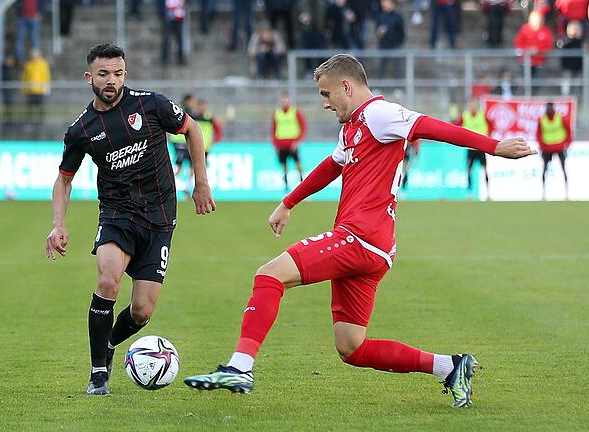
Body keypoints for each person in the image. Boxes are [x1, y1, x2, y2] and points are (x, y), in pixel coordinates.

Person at [183, 54, 535, 407]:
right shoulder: (353, 126)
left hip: (360, 237)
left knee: (269, 276)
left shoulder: (380, 114)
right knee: (351, 346)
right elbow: (330, 166)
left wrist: (494, 147)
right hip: (374, 249)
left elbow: (431, 127)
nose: (323, 103)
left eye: (326, 94)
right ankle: (450, 367)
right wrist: (288, 202)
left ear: (346, 87)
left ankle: (239, 367)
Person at [44, 44, 216, 395]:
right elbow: (64, 179)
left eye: (118, 73)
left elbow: (193, 130)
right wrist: (58, 224)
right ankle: (98, 375)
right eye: (104, 74)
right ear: (89, 77)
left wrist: (201, 181)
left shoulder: (150, 104)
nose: (112, 81)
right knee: (108, 281)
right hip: (117, 215)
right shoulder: (81, 129)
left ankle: (108, 344)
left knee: (141, 311)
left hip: (160, 217)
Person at [271, 93, 307, 190]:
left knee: (297, 163)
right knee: (284, 164)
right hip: (281, 144)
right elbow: (274, 129)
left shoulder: (295, 112)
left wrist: (297, 141)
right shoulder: (277, 113)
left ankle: (302, 183)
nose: (285, 103)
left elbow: (303, 127)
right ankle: (286, 185)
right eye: (283, 101)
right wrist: (275, 144)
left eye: (286, 101)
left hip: (292, 143)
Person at [536, 102, 571, 199]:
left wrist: (567, 143)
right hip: (547, 148)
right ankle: (543, 194)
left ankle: (567, 194)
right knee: (544, 170)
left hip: (560, 147)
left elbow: (568, 130)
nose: (549, 109)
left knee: (563, 169)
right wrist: (541, 145)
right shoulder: (542, 119)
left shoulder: (560, 117)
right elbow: (539, 133)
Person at [456, 98, 490, 194]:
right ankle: (469, 192)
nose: (473, 107)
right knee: (469, 170)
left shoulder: (482, 116)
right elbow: (456, 126)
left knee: (485, 170)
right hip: (470, 148)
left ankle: (488, 192)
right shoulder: (465, 116)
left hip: (481, 147)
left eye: (474, 105)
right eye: (471, 105)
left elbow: (490, 126)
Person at [514, 11, 554, 78]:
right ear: (530, 20)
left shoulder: (546, 31)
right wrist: (528, 50)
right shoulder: (524, 29)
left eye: (540, 19)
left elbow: (549, 46)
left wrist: (538, 50)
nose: (539, 21)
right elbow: (518, 43)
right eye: (537, 20)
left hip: (540, 62)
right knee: (525, 79)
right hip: (525, 61)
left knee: (537, 81)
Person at [22, 49, 51, 129]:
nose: (34, 57)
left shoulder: (43, 64)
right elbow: (25, 77)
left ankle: (39, 124)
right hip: (30, 91)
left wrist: (46, 87)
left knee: (39, 108)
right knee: (30, 109)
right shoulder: (28, 65)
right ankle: (30, 124)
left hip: (40, 90)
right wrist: (25, 89)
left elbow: (46, 76)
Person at [376, 0, 406, 78]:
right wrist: (379, 32)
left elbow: (402, 33)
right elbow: (376, 31)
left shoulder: (398, 16)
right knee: (381, 67)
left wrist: (398, 44)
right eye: (382, 2)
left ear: (392, 3)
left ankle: (398, 88)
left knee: (397, 67)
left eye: (386, 2)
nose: (383, 4)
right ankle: (379, 87)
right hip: (384, 45)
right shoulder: (380, 16)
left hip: (395, 46)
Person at [162, 0, 186, 66]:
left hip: (178, 15)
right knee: (167, 38)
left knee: (180, 39)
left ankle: (180, 58)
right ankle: (164, 58)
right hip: (170, 15)